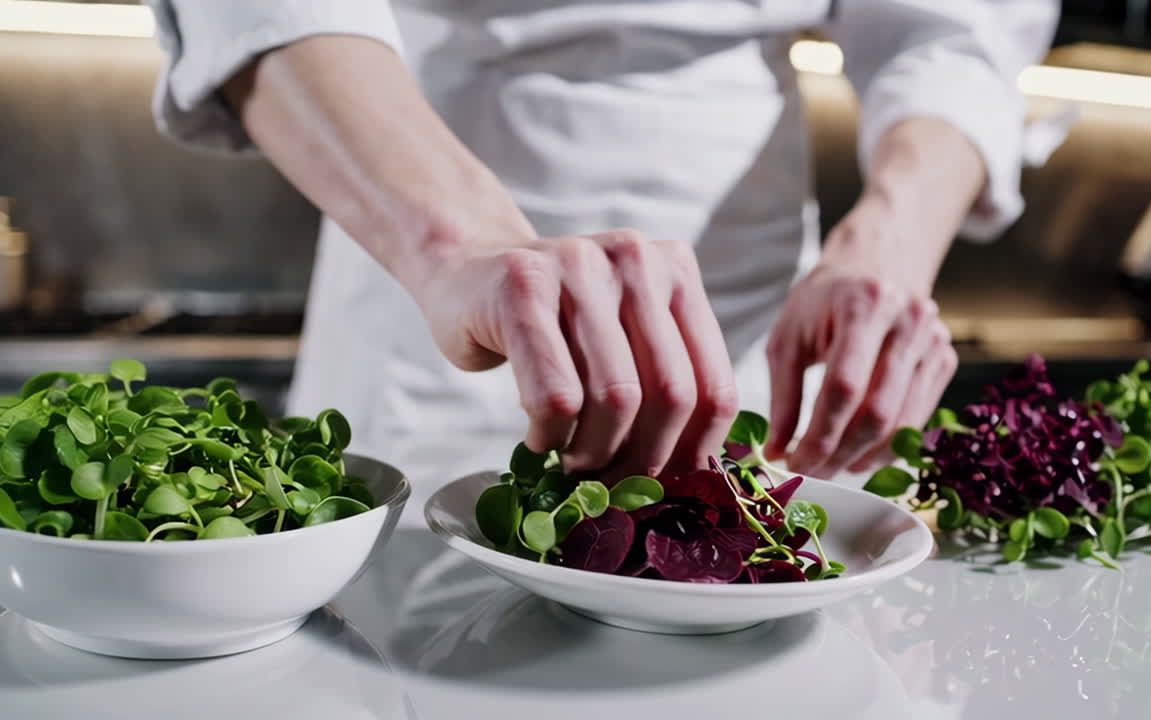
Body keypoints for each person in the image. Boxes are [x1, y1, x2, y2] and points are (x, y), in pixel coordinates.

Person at [142, 1, 1059, 482]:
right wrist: (455, 244)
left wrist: (884, 247)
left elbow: (954, 31)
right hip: (422, 275)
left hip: (748, 321)